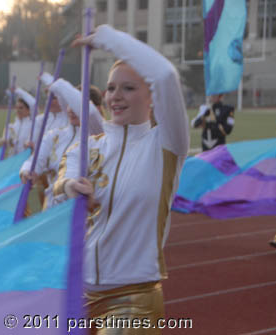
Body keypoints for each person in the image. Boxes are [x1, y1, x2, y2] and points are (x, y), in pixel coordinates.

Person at [54, 25, 189, 334]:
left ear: (151, 97)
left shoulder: (166, 145)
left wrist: (108, 39)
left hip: (133, 296)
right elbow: (62, 181)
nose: (116, 96)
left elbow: (165, 76)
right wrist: (72, 187)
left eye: (129, 88)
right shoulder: (89, 147)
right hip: (79, 293)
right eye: (112, 88)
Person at [19, 78, 104, 210]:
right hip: (52, 211)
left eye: (76, 105)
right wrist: (28, 171)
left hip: (84, 214)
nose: (70, 110)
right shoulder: (54, 135)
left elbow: (90, 112)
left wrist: (56, 83)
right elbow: (36, 160)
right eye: (68, 105)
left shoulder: (99, 134)